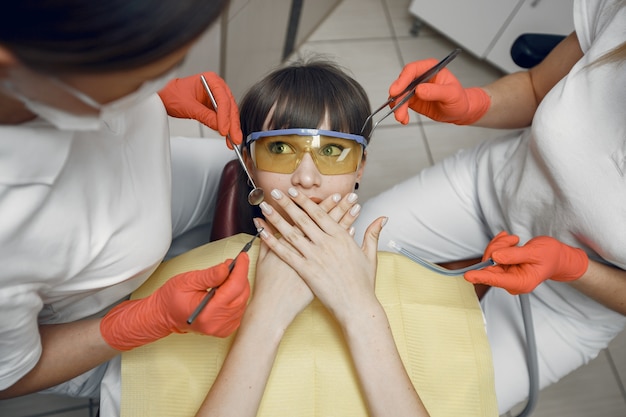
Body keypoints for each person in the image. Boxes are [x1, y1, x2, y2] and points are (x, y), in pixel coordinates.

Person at [352, 0, 626, 413]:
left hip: (572, 301)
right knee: (342, 254)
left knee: (444, 406)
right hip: (489, 191)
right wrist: (470, 104)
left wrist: (572, 266)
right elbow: (536, 87)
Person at [0, 2, 250, 416]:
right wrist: (145, 319)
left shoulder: (50, 70)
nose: (161, 78)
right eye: (138, 72)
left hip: (147, 179)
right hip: (87, 322)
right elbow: (9, 375)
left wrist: (147, 90)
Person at [196, 58, 431, 417]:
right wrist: (266, 313)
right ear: (248, 162)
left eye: (331, 151)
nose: (307, 178)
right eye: (280, 149)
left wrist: (359, 305)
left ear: (361, 167)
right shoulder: (202, 274)